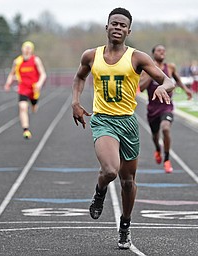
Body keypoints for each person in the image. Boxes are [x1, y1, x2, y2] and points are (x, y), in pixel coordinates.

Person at [71, 8, 175, 249]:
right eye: (114, 24)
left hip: (127, 122)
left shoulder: (137, 57)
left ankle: (125, 226)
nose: (117, 28)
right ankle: (100, 192)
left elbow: (167, 79)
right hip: (103, 120)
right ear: (106, 27)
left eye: (122, 25)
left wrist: (164, 88)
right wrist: (75, 102)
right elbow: (79, 77)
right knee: (110, 170)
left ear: (129, 30)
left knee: (128, 182)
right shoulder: (91, 55)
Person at [139, 45, 192, 173]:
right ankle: (158, 149)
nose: (162, 52)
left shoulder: (170, 67)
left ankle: (167, 160)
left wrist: (186, 90)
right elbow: (141, 88)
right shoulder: (147, 70)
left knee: (166, 128)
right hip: (152, 109)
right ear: (153, 54)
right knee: (155, 136)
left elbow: (177, 80)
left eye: (163, 51)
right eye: (159, 51)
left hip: (166, 106)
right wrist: (153, 74)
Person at [4, 41, 47, 139]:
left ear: (32, 50)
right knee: (23, 107)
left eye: (29, 48)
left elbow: (43, 74)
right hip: (23, 88)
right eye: (25, 47)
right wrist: (8, 83)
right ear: (22, 49)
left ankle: (34, 104)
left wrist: (39, 84)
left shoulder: (36, 60)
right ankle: (26, 130)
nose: (27, 50)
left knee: (34, 108)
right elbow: (11, 74)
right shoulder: (17, 61)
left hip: (34, 88)